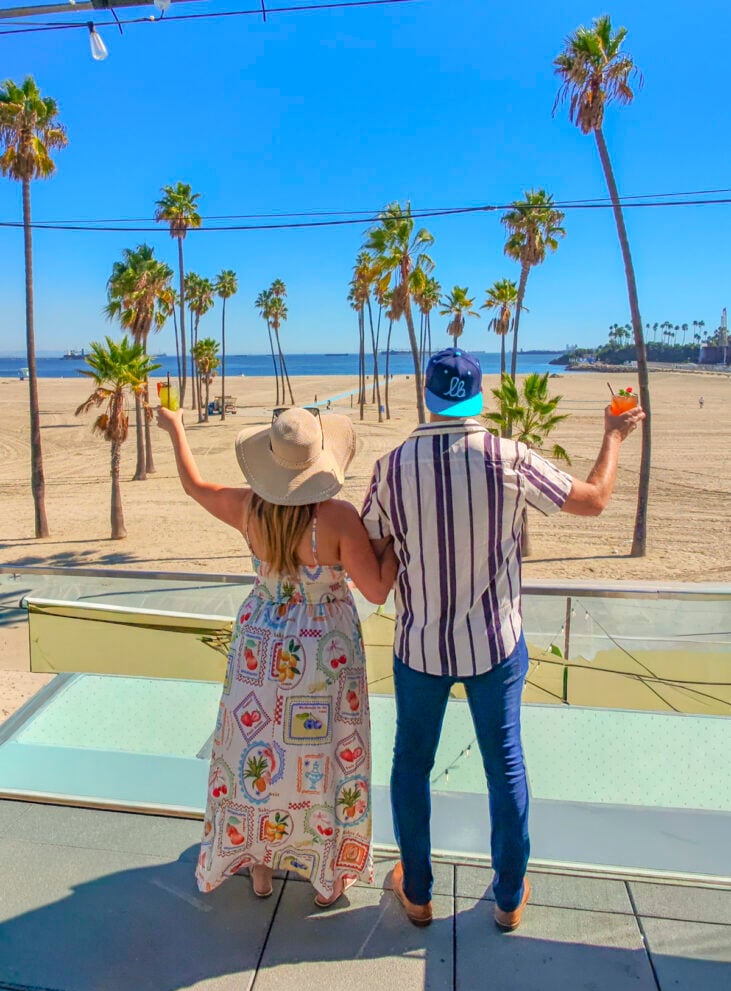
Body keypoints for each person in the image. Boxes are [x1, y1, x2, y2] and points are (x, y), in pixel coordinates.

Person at [362, 348, 644, 931]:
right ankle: (509, 898)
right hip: (495, 643)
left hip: (420, 646)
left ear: (429, 398)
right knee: (505, 768)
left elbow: (371, 548)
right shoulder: (507, 457)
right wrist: (613, 436)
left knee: (410, 766)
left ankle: (417, 893)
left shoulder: (391, 467)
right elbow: (593, 501)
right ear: (477, 396)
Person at [158, 404, 397, 906]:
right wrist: (394, 541)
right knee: (323, 755)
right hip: (324, 653)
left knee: (257, 753)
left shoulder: (249, 507)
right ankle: (326, 874)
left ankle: (260, 867)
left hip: (259, 647)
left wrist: (175, 426)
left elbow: (194, 486)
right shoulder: (336, 517)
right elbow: (376, 590)